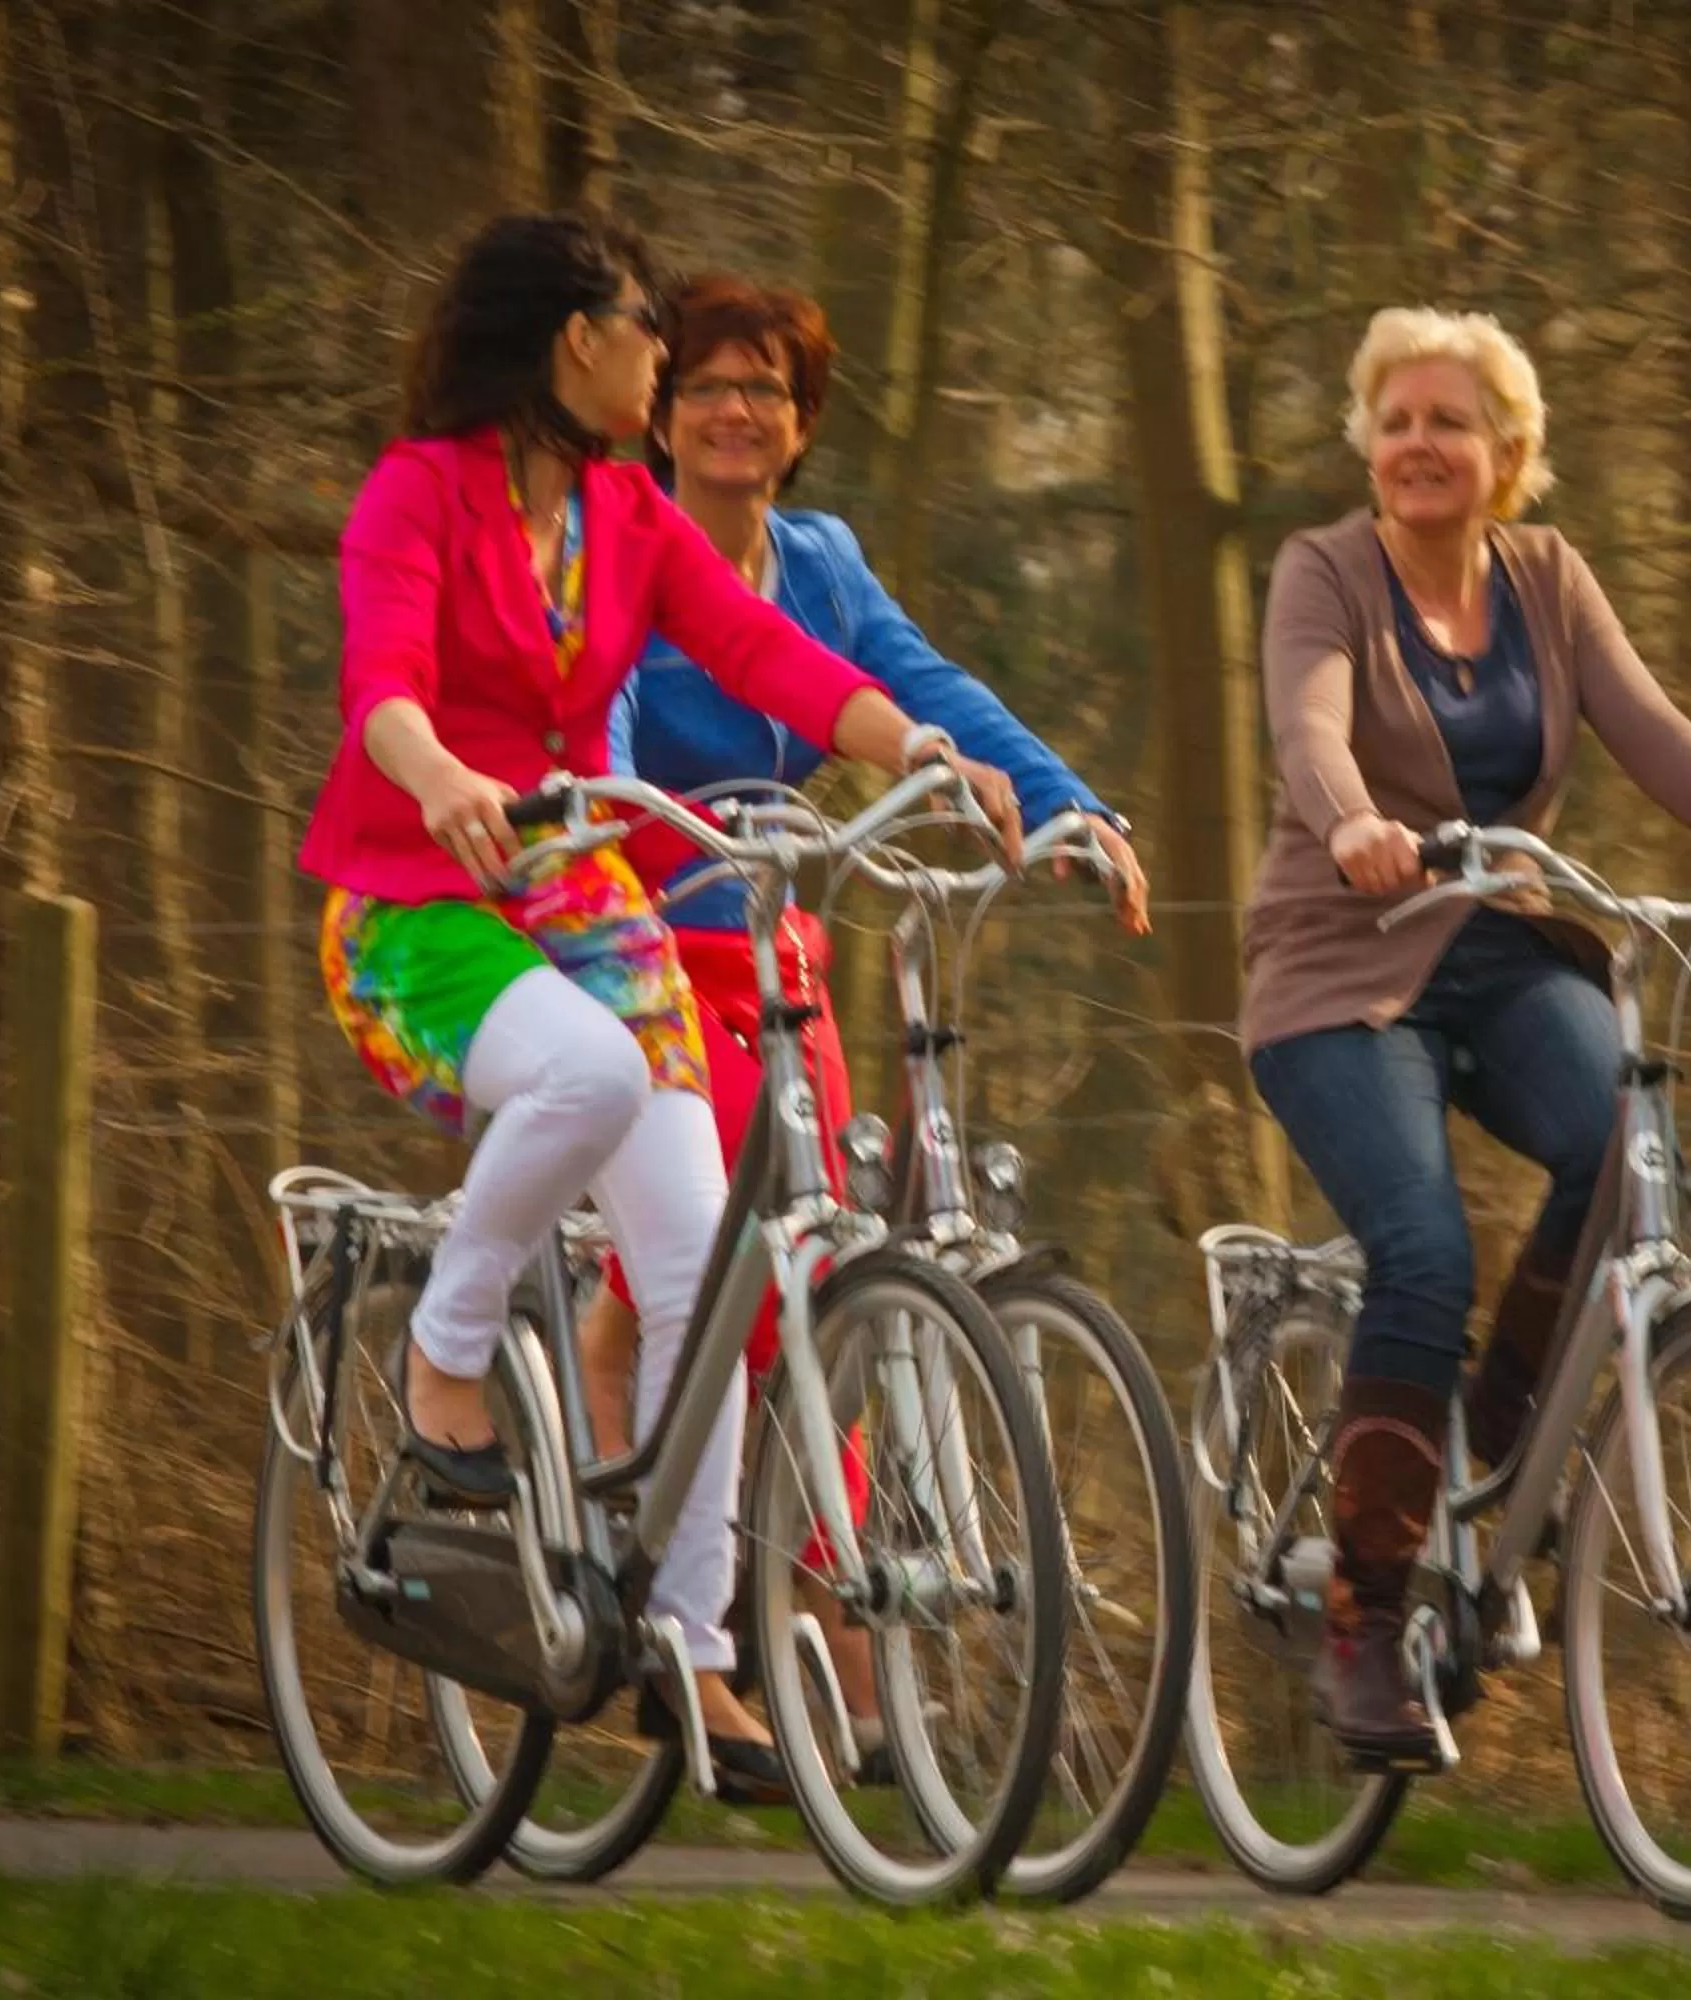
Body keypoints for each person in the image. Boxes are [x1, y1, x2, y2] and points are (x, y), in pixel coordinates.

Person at [295, 211, 1022, 1804]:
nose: (663, 360)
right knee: (592, 1083)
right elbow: (385, 687)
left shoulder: (625, 515)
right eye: (643, 330)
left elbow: (765, 649)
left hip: (580, 895)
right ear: (574, 342)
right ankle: (448, 1344)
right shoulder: (417, 492)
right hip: (415, 898)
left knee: (706, 1277)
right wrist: (443, 780)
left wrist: (919, 753)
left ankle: (698, 1652)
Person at [1242, 307, 1691, 1766]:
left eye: (1447, 423)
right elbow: (1309, 722)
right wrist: (1354, 825)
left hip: (1503, 947)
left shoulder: (1548, 579)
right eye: (1394, 421)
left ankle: (1485, 1454)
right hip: (1341, 963)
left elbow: (1647, 723)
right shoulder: (1323, 572)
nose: (1415, 446)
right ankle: (1370, 1624)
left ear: (1508, 454)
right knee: (1425, 1250)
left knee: (1627, 1156)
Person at [576, 272, 1148, 1778]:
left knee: (819, 1272)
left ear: (801, 419)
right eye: (704, 382)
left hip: (777, 950)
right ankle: (619, 1470)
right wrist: (614, 816)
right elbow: (602, 708)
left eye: (764, 386)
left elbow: (917, 682)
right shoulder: (621, 546)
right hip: (642, 936)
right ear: (659, 411)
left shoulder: (818, 562)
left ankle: (831, 1627)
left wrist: (1064, 800)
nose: (734, 410)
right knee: (695, 1275)